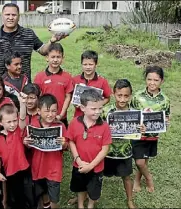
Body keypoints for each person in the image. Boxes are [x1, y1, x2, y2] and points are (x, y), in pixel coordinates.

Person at [0, 3, 66, 82]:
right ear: (2, 16)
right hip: (2, 85)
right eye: (7, 14)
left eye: (14, 15)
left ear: (19, 17)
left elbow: (43, 50)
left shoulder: (28, 34)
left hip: (24, 85)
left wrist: (51, 41)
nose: (10, 18)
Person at [102, 79, 145, 209]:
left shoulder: (135, 113)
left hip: (124, 152)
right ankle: (86, 194)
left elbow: (139, 132)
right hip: (106, 152)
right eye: (119, 95)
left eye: (126, 96)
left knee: (126, 177)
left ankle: (130, 200)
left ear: (130, 96)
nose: (122, 99)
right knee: (96, 175)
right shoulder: (106, 111)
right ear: (114, 94)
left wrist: (141, 129)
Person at [68, 88, 112, 209]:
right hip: (79, 165)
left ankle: (91, 205)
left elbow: (105, 149)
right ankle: (81, 205)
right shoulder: (74, 123)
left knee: (94, 192)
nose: (97, 112)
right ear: (82, 108)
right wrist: (78, 160)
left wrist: (91, 166)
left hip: (96, 168)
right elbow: (71, 141)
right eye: (93, 109)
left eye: (100, 108)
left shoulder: (104, 126)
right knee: (80, 187)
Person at [23, 94, 68, 209]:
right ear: (38, 111)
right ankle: (46, 205)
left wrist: (63, 143)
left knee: (54, 198)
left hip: (54, 169)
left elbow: (66, 146)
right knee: (42, 192)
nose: (50, 114)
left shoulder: (60, 126)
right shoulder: (32, 125)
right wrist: (26, 143)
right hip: (38, 168)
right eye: (47, 111)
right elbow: (28, 147)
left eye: (54, 111)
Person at [131, 66, 170, 193]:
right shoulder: (137, 96)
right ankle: (149, 178)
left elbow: (166, 116)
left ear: (161, 81)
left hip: (153, 136)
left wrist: (166, 122)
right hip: (138, 135)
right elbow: (132, 114)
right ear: (145, 79)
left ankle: (137, 180)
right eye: (149, 79)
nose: (152, 83)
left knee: (144, 160)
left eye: (156, 80)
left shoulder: (165, 100)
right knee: (139, 162)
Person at [0, 93, 29, 209]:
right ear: (0, 122)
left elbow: (23, 119)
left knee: (24, 195)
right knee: (11, 196)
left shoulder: (18, 131)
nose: (13, 124)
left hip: (22, 168)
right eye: (9, 122)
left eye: (15, 120)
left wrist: (22, 104)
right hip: (8, 171)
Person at [34, 43, 73, 128]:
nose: (55, 60)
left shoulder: (67, 77)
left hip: (61, 117)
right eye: (53, 57)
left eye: (58, 57)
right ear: (47, 58)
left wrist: (61, 115)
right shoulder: (40, 76)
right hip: (44, 118)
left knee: (62, 140)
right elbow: (37, 97)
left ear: (63, 58)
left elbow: (68, 97)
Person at [72, 50, 111, 118]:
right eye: (85, 64)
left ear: (96, 64)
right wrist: (75, 104)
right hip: (79, 116)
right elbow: (72, 96)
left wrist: (97, 105)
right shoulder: (75, 80)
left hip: (94, 117)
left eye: (91, 64)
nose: (88, 67)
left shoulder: (102, 81)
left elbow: (107, 98)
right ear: (81, 64)